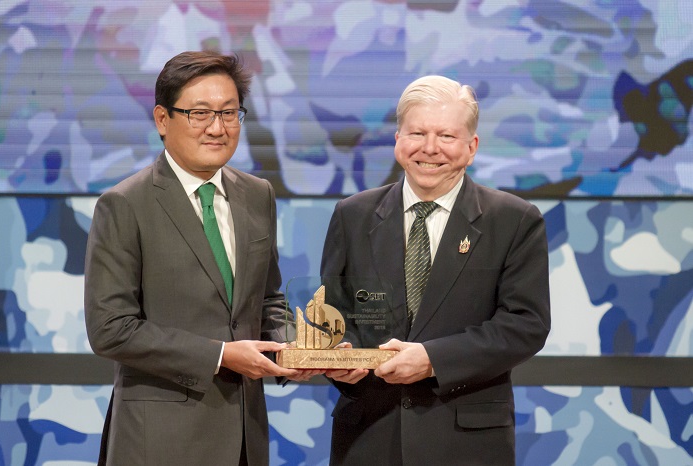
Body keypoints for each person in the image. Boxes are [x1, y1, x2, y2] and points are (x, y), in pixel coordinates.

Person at [84, 50, 318, 466]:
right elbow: (111, 329)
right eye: (200, 114)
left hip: (246, 438)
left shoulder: (257, 194)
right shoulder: (124, 204)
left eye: (230, 113)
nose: (217, 128)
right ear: (162, 119)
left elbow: (266, 300)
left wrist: (294, 350)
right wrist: (221, 355)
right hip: (160, 440)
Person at [321, 75, 551, 465]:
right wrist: (338, 362)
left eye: (446, 136)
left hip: (466, 442)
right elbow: (335, 315)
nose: (430, 148)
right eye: (417, 133)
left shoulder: (514, 220)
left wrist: (432, 359)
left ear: (471, 146)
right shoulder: (352, 214)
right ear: (398, 140)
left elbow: (524, 325)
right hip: (369, 436)